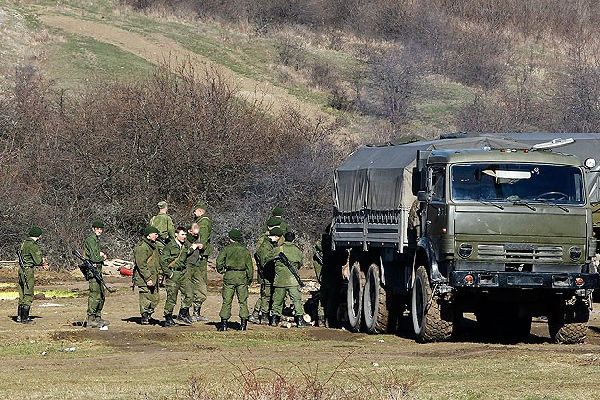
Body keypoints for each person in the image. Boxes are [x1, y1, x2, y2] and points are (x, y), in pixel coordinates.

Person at [266, 229, 309, 328]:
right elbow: (300, 264)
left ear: (284, 239)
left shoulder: (278, 249)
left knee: (277, 301)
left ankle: (274, 320)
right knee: (296, 301)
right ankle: (300, 320)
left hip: (279, 280)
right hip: (293, 280)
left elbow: (267, 259)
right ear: (293, 240)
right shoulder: (297, 250)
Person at [216, 229, 253, 332]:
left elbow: (219, 262)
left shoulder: (226, 249)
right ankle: (243, 325)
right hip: (242, 276)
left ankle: (224, 324)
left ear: (231, 238)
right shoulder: (245, 250)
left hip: (230, 275)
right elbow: (250, 267)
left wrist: (221, 270)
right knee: (243, 301)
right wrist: (249, 279)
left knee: (227, 301)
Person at [249, 216, 283, 325]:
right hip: (266, 274)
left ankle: (256, 314)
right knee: (266, 295)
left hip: (269, 274)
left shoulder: (270, 243)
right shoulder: (265, 243)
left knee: (267, 295)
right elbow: (264, 260)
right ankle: (261, 315)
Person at [160, 227, 193, 326]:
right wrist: (169, 273)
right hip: (173, 274)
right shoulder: (170, 246)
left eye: (185, 235)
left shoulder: (185, 246)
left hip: (183, 274)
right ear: (176, 234)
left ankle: (182, 313)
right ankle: (168, 318)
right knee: (171, 298)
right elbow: (163, 261)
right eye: (182, 234)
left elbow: (186, 256)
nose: (184, 237)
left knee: (189, 294)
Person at [16, 227, 47, 324]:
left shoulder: (24, 243)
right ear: (39, 235)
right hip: (28, 270)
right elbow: (37, 260)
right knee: (28, 292)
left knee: (22, 292)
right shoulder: (32, 245)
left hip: (21, 269)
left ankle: (20, 316)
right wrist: (43, 262)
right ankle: (25, 317)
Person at [82, 220, 108, 328]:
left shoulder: (95, 240)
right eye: (97, 229)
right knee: (95, 295)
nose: (99, 231)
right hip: (93, 270)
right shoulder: (91, 240)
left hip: (97, 270)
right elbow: (94, 257)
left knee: (101, 294)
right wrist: (102, 257)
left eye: (101, 229)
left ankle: (97, 316)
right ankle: (90, 318)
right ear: (93, 229)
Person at [133, 226, 161, 325]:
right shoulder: (142, 247)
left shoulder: (154, 246)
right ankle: (144, 316)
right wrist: (148, 278)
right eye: (155, 234)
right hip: (144, 278)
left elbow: (157, 261)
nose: (157, 236)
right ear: (148, 235)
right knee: (145, 297)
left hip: (154, 276)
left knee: (155, 298)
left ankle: (149, 314)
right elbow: (141, 265)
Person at [190, 201, 212, 320]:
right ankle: (194, 312)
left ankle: (195, 312)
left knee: (199, 282)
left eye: (195, 211)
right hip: (198, 256)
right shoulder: (202, 222)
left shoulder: (203, 223)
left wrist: (198, 249)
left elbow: (201, 240)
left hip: (199, 256)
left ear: (200, 211)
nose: (194, 213)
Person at [184, 223, 208, 322]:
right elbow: (183, 253)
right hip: (187, 267)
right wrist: (192, 247)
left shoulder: (197, 239)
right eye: (194, 234)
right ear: (189, 231)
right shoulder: (184, 240)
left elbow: (203, 248)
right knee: (187, 291)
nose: (195, 235)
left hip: (196, 266)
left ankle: (196, 313)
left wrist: (202, 247)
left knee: (202, 290)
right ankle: (185, 313)